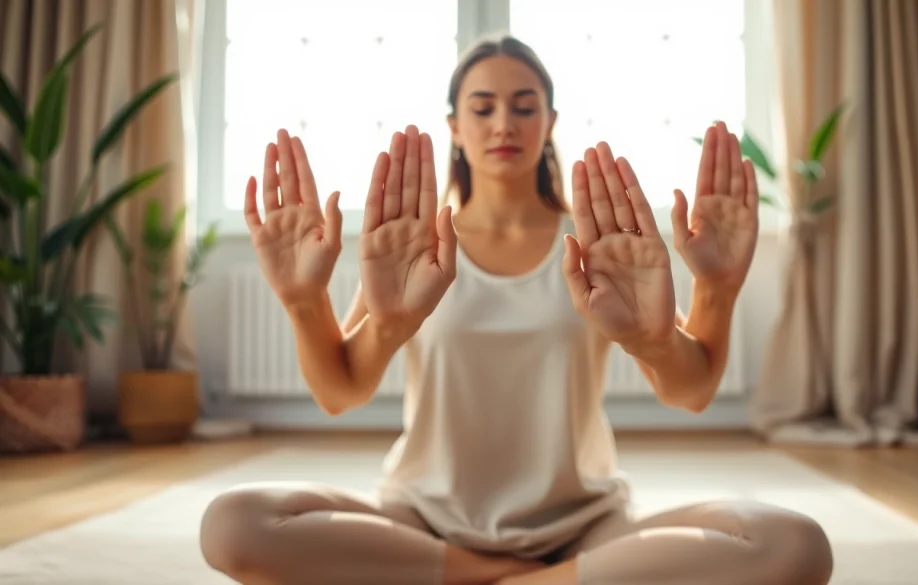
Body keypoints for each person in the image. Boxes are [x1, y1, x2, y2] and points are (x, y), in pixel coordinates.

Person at [199, 36, 833, 585]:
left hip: (585, 526)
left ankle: (480, 580)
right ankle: (527, 580)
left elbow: (690, 393)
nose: (504, 123)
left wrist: (713, 290)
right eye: (483, 108)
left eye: (524, 107)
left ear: (549, 121)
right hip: (423, 522)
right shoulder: (414, 247)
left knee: (791, 544)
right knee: (233, 524)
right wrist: (305, 300)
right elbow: (341, 393)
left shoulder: (598, 245)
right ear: (455, 126)